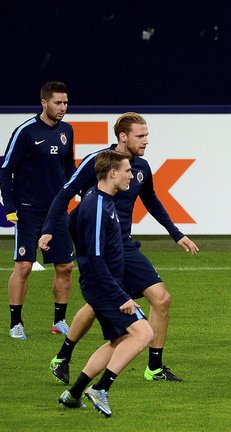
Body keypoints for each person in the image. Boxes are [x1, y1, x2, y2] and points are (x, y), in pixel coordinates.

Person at [41, 112, 199, 384]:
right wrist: (47, 230)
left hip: (125, 245)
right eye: (141, 135)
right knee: (95, 306)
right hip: (100, 247)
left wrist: (176, 234)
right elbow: (65, 193)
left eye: (147, 135)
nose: (146, 140)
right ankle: (62, 357)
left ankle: (155, 367)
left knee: (161, 299)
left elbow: (152, 201)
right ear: (123, 137)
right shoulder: (99, 162)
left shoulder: (142, 168)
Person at [57, 150, 155, 417]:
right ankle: (101, 389)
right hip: (105, 286)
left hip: (101, 284)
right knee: (144, 333)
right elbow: (97, 258)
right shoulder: (99, 207)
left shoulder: (96, 199)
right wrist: (120, 295)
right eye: (126, 171)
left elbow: (71, 222)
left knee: (119, 340)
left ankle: (73, 393)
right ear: (112, 173)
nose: (131, 176)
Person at [0, 81, 76, 339]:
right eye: (57, 103)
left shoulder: (67, 130)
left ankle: (59, 321)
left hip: (57, 211)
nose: (62, 107)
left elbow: (68, 168)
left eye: (65, 102)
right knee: (24, 266)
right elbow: (6, 170)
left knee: (65, 266)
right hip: (29, 210)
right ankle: (15, 323)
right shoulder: (26, 131)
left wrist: (78, 192)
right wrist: (10, 207)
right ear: (44, 103)